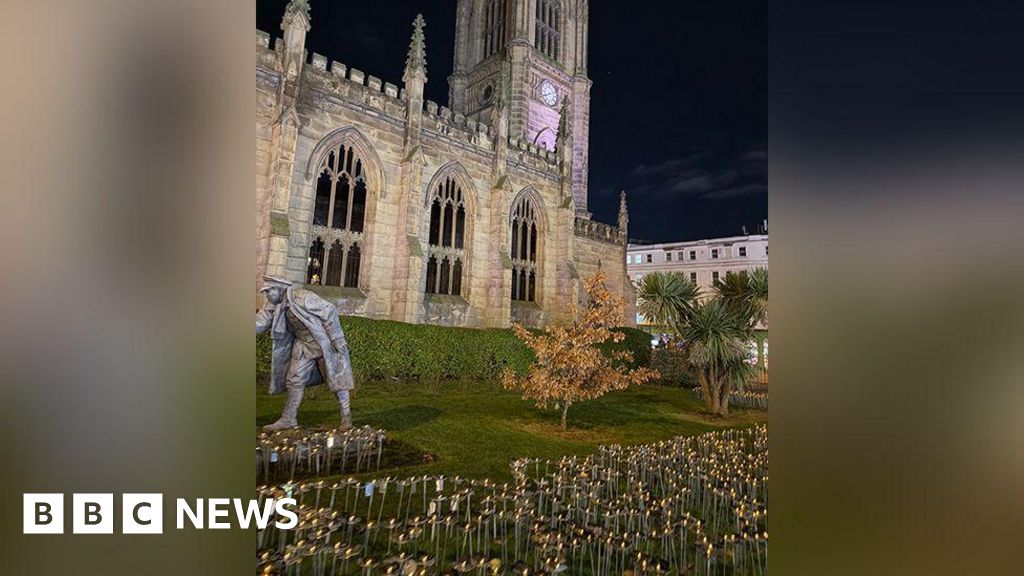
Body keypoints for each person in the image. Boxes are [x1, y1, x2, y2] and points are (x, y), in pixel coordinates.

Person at [256, 275, 354, 430]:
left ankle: (346, 419)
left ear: (278, 289)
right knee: (294, 380)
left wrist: (337, 338)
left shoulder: (302, 297)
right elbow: (260, 322)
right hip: (303, 345)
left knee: (337, 380)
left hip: (323, 343)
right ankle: (288, 419)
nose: (266, 295)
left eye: (268, 291)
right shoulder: (274, 305)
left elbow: (329, 310)